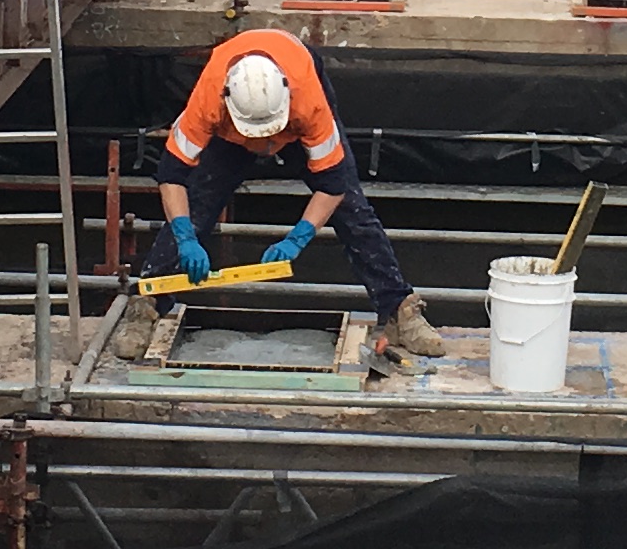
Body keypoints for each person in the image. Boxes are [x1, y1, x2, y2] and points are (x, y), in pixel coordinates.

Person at [157, 25, 440, 362]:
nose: (264, 150)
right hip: (231, 127)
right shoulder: (208, 101)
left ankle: (398, 309)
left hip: (294, 112)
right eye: (257, 140)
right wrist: (186, 237)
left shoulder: (310, 103)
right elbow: (171, 175)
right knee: (198, 202)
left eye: (269, 140)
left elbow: (333, 185)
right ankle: (148, 302)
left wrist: (299, 237)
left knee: (353, 209)